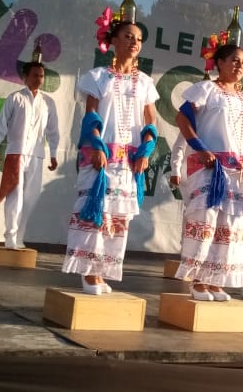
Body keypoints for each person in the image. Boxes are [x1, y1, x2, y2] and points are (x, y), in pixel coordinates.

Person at [61, 19, 159, 295]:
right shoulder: (98, 77)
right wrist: (95, 146)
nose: (134, 42)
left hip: (128, 162)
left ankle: (102, 271)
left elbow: (150, 121)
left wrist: (146, 150)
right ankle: (88, 272)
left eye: (138, 39)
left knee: (117, 218)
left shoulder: (145, 83)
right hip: (102, 156)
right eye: (128, 36)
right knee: (96, 213)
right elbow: (91, 115)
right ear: (113, 40)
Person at [175, 44, 243, 301]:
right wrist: (201, 148)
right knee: (206, 221)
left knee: (230, 226)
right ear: (220, 62)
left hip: (238, 173)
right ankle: (197, 281)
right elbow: (182, 118)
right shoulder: (206, 89)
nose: (240, 66)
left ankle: (215, 281)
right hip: (210, 168)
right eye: (234, 60)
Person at [0, 61, 60, 249]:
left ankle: (19, 236)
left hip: (36, 155)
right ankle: (10, 236)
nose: (39, 79)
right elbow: (1, 123)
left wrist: (53, 154)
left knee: (31, 197)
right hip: (16, 152)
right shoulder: (15, 98)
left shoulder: (48, 102)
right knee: (15, 194)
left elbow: (53, 130)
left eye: (41, 76)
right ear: (25, 77)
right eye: (35, 75)